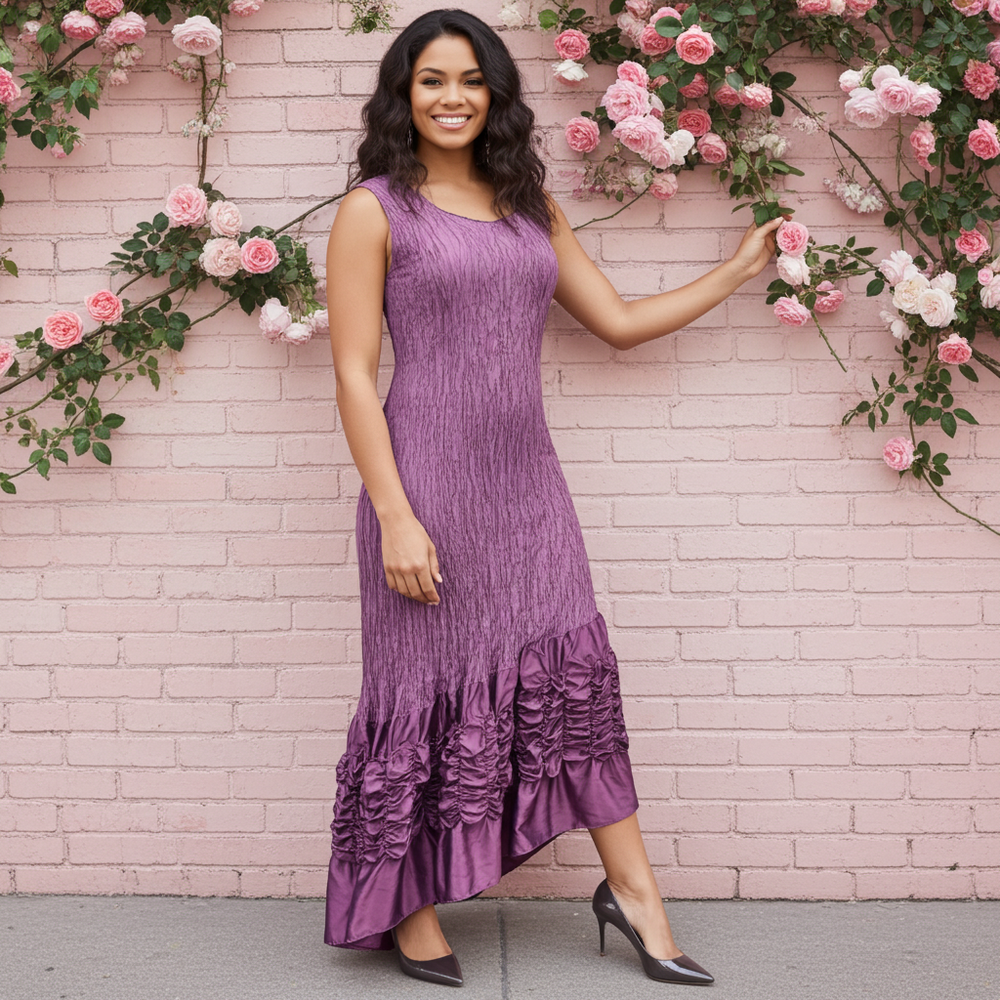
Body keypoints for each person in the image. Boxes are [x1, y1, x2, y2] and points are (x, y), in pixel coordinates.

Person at [324, 8, 780, 988]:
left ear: (494, 93)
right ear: (404, 95)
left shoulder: (530, 205)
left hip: (527, 492)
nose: (451, 97)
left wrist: (738, 270)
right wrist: (397, 513)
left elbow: (613, 320)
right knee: (420, 692)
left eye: (469, 80)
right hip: (425, 486)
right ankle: (411, 902)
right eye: (430, 79)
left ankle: (635, 895)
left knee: (575, 682)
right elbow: (356, 375)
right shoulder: (373, 209)